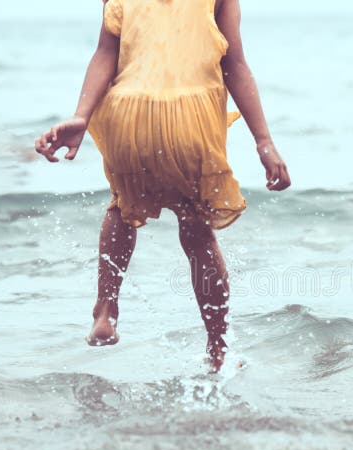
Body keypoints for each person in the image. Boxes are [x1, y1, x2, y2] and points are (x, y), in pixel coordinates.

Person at [35, 0, 291, 372]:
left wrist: (80, 116)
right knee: (198, 231)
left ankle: (106, 308)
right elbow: (233, 64)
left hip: (129, 116)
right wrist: (264, 142)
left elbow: (106, 53)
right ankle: (217, 348)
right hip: (192, 121)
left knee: (122, 209)